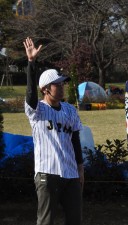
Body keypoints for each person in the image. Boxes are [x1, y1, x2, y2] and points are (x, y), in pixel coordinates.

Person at [23, 37, 84, 225]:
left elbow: (75, 141)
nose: (62, 86)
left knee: (75, 220)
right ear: (46, 90)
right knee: (46, 221)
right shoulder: (37, 110)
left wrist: (81, 169)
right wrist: (32, 63)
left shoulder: (70, 110)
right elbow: (31, 94)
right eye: (57, 84)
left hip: (71, 173)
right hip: (47, 173)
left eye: (62, 83)